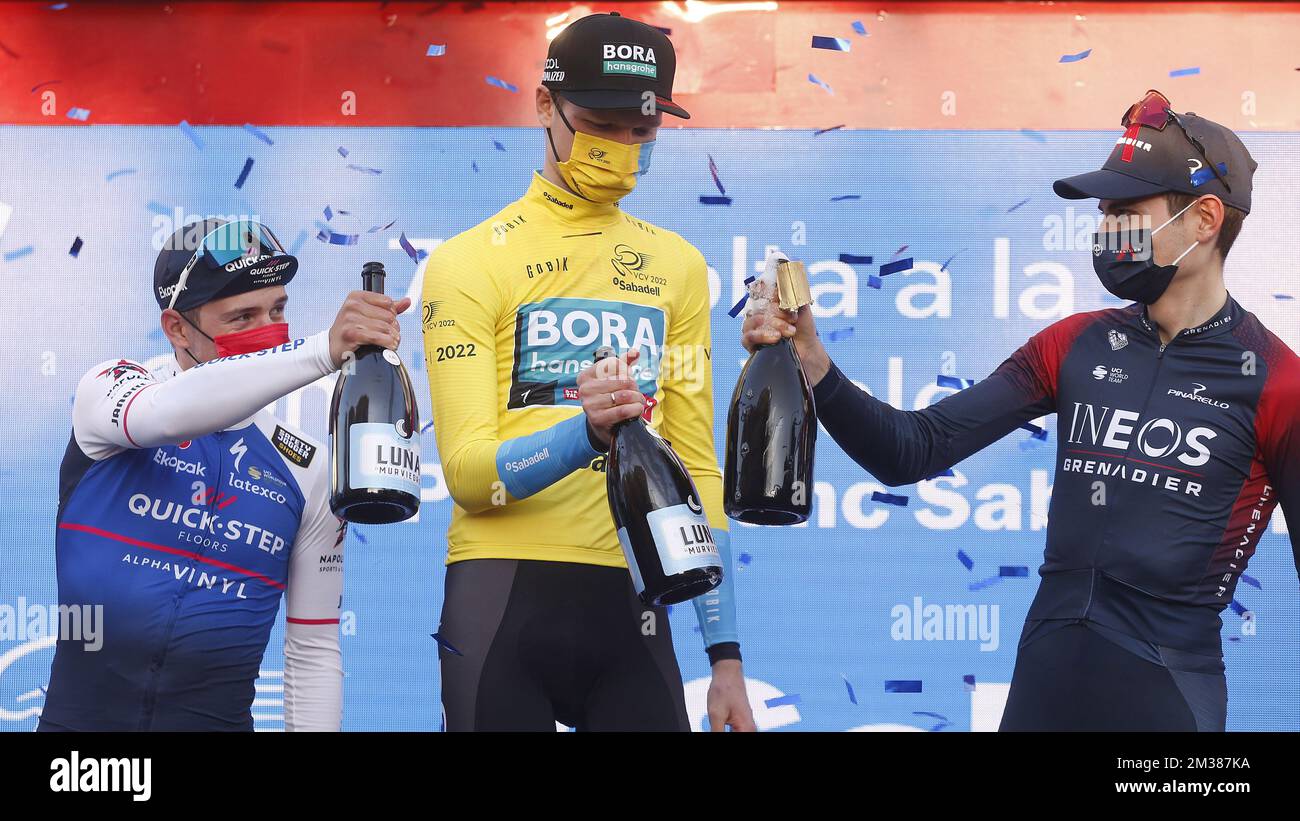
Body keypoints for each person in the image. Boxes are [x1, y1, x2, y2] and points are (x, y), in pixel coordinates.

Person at [743, 90, 1299, 731]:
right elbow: (913, 450)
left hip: (1169, 696)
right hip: (1046, 677)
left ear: (1204, 219)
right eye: (1104, 212)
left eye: (1127, 210)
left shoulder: (1280, 383)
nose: (1108, 227)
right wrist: (815, 366)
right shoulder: (1073, 343)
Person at [422, 12, 754, 731]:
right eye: (602, 125)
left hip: (634, 599)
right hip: (502, 593)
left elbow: (696, 469)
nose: (624, 147)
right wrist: (587, 431)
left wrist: (724, 655)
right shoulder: (469, 260)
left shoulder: (680, 267)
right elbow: (469, 474)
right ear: (544, 105)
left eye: (643, 130)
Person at [40, 218, 408, 731]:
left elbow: (313, 651)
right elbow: (165, 416)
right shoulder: (110, 388)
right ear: (177, 328)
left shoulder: (309, 468)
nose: (267, 330)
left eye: (277, 310)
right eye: (242, 316)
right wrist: (321, 350)